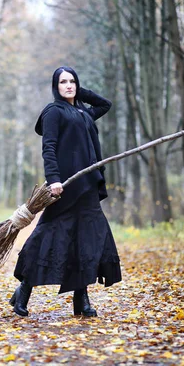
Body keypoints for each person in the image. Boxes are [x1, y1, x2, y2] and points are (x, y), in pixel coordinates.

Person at [11, 66, 122, 317]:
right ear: (55, 86)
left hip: (88, 187)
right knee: (47, 235)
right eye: (63, 82)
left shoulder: (83, 112)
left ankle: (81, 301)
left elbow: (105, 104)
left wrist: (78, 91)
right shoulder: (53, 112)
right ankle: (24, 290)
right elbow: (48, 147)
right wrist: (53, 180)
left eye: (72, 81)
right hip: (64, 187)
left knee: (87, 240)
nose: (69, 85)